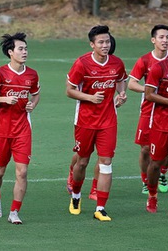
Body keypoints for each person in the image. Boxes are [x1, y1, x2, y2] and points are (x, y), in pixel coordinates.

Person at [66, 25, 127, 222]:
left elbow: (121, 80)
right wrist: (90, 98)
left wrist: (122, 93)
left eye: (107, 42)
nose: (105, 45)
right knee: (82, 161)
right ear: (92, 44)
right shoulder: (82, 64)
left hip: (108, 121)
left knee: (106, 164)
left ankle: (100, 208)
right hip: (85, 121)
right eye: (100, 42)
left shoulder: (117, 63)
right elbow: (70, 90)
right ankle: (76, 195)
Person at [0, 33, 40, 224]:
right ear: (10, 52)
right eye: (21, 49)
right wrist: (3, 99)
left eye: (26, 48)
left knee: (22, 172)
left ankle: (14, 211)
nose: (25, 52)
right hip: (1, 130)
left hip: (23, 129)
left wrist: (32, 104)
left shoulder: (32, 74)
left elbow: (35, 94)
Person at [144, 31, 168, 218]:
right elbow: (149, 94)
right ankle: (152, 194)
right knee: (155, 164)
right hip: (159, 124)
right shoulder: (158, 68)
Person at [128, 25, 168, 194]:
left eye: (167, 37)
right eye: (161, 37)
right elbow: (131, 84)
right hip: (149, 110)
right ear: (153, 40)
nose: (165, 40)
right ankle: (146, 180)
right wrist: (149, 91)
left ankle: (162, 173)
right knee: (145, 148)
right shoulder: (145, 60)